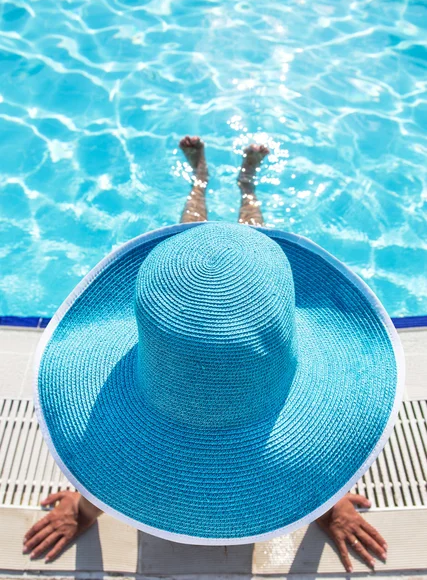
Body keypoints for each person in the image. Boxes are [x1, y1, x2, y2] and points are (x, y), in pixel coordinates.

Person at [24, 136, 391, 572]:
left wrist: (87, 504)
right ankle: (203, 179)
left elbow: (121, 459)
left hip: (187, 355)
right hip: (222, 345)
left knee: (222, 246)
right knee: (216, 250)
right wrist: (326, 496)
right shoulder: (191, 313)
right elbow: (308, 464)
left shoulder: (147, 395)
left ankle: (243, 182)